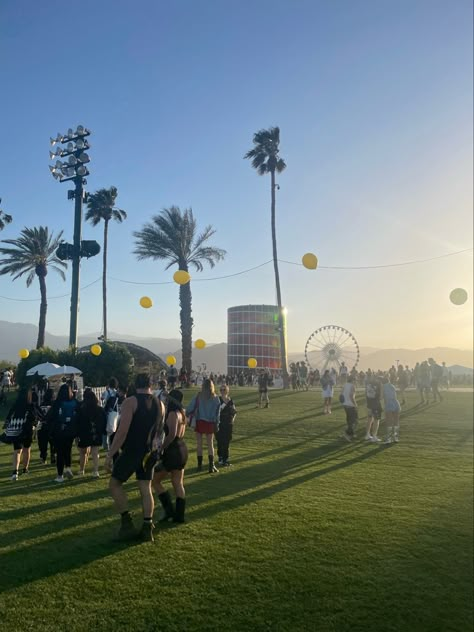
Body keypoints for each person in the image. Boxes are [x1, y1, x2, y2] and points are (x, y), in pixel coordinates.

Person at [106, 373, 164, 542]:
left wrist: (110, 454)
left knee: (114, 484)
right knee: (146, 489)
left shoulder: (130, 402)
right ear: (150, 384)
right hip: (149, 452)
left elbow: (122, 431)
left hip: (132, 450)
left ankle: (127, 522)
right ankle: (147, 527)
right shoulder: (159, 404)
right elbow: (159, 431)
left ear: (134, 385)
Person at [153, 389, 188, 524]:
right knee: (178, 483)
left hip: (173, 450)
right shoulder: (182, 413)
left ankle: (169, 511)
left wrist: (162, 448)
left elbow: (172, 434)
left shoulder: (173, 414)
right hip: (181, 448)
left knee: (155, 481)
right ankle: (179, 515)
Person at [186, 378, 220, 473]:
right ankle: (211, 465)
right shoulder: (216, 398)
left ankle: (199, 466)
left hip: (199, 421)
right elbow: (218, 414)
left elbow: (189, 408)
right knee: (210, 444)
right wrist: (217, 423)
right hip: (210, 422)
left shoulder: (198, 396)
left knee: (199, 444)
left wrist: (188, 414)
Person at [2, 388, 37, 480]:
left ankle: (15, 472)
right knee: (27, 449)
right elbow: (34, 417)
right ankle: (25, 469)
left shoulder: (16, 404)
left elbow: (9, 416)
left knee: (17, 451)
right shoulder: (30, 405)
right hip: (27, 430)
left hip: (16, 429)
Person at [47, 384, 79, 483]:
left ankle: (60, 475)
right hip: (71, 430)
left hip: (59, 431)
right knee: (68, 450)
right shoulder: (74, 402)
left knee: (60, 453)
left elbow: (51, 416)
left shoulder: (57, 403)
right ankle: (68, 468)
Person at [77, 389, 107, 477]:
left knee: (83, 453)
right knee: (95, 452)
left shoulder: (82, 409)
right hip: (96, 433)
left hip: (84, 433)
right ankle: (95, 471)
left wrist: (77, 433)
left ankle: (81, 470)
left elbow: (78, 422)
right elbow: (104, 420)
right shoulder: (100, 409)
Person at [216, 384, 237, 466]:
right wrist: (225, 403)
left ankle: (226, 458)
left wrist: (233, 420)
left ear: (227, 390)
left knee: (227, 441)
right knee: (220, 441)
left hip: (228, 423)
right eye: (221, 389)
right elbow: (218, 410)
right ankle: (220, 457)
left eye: (224, 389)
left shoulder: (230, 400)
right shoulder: (218, 399)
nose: (222, 391)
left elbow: (234, 412)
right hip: (220, 423)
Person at [383, 376, 401, 443]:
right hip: (396, 403)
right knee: (396, 421)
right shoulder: (392, 386)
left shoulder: (383, 387)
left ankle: (389, 439)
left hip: (389, 404)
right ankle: (396, 438)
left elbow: (383, 397)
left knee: (389, 422)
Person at [364, 374, 382, 442]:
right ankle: (374, 436)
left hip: (369, 403)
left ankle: (367, 434)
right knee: (376, 420)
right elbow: (380, 396)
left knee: (369, 419)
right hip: (376, 404)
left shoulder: (368, 384)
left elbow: (365, 393)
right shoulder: (378, 384)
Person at [341, 375, 358, 442]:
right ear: (353, 380)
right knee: (354, 421)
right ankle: (347, 434)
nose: (356, 381)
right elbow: (351, 396)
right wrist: (355, 404)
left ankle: (352, 433)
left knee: (349, 420)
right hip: (351, 405)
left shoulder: (345, 385)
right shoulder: (352, 386)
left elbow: (341, 394)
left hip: (345, 404)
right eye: (355, 380)